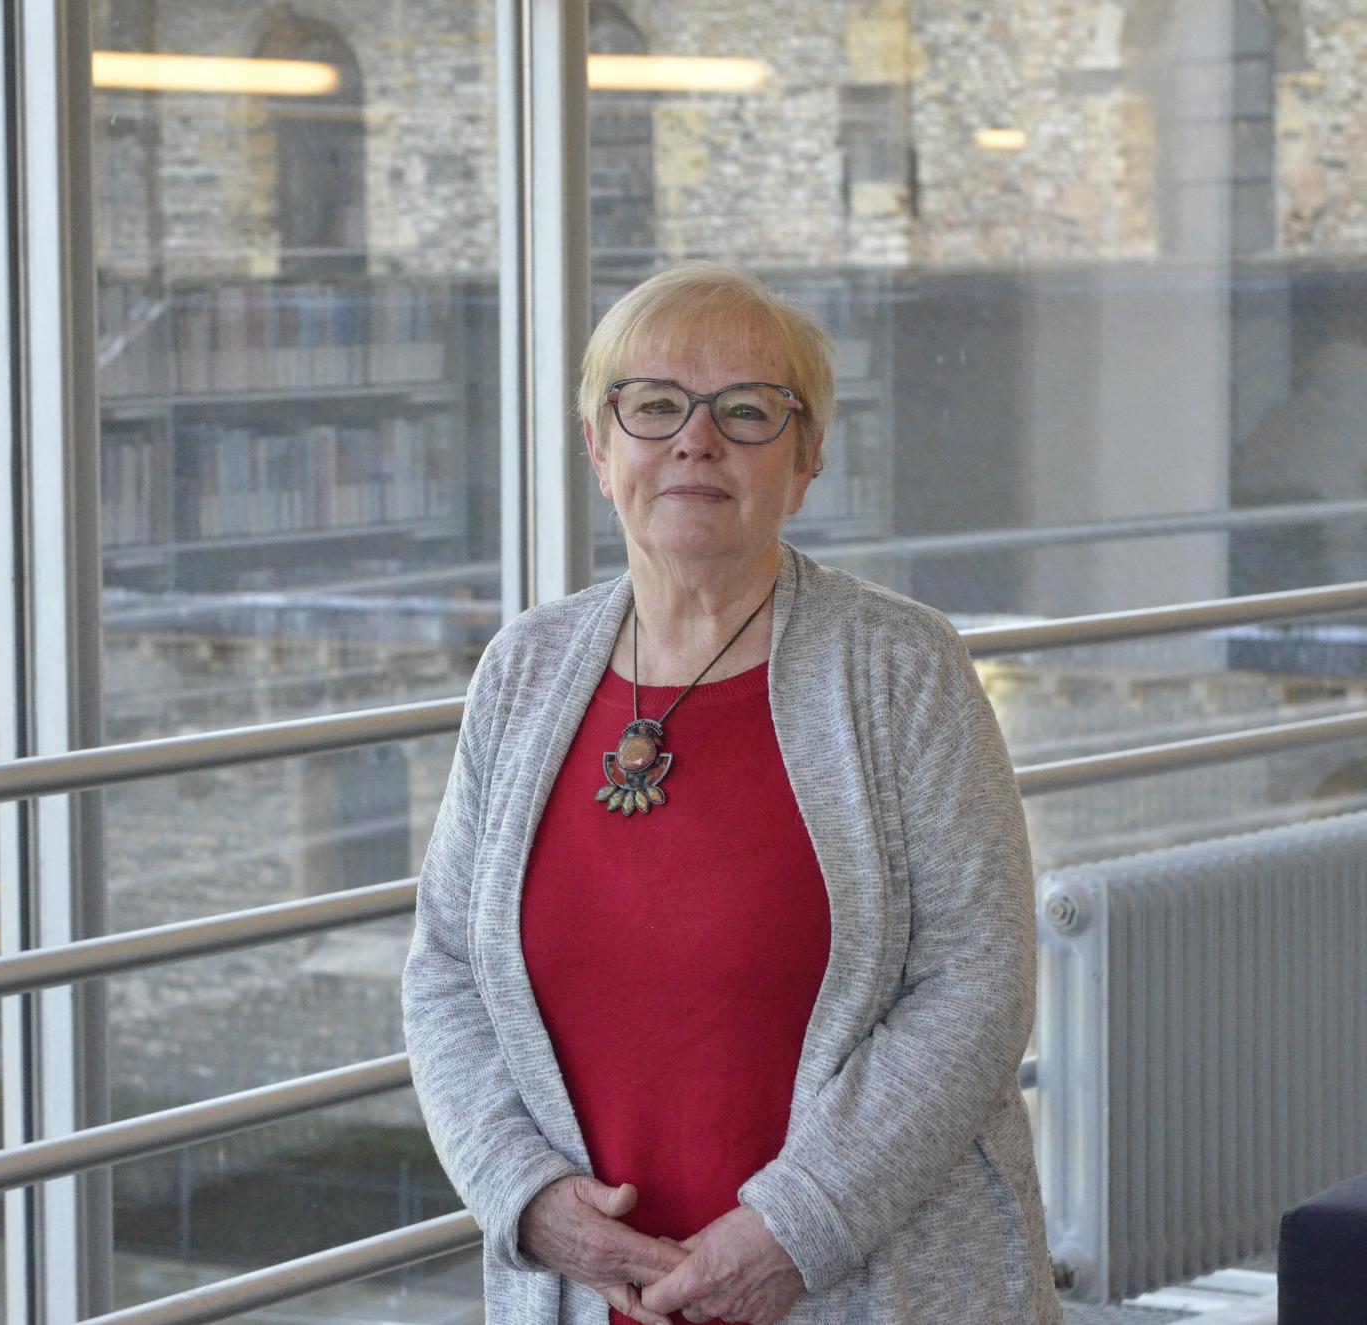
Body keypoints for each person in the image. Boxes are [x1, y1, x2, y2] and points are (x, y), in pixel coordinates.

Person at [401, 262, 1063, 1324]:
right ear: (596, 445)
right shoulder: (522, 668)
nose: (693, 441)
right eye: (652, 405)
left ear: (804, 461)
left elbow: (976, 981)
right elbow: (443, 965)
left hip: (860, 1282)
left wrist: (794, 1228)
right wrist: (521, 1195)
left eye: (746, 411)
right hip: (583, 1292)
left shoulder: (900, 666)